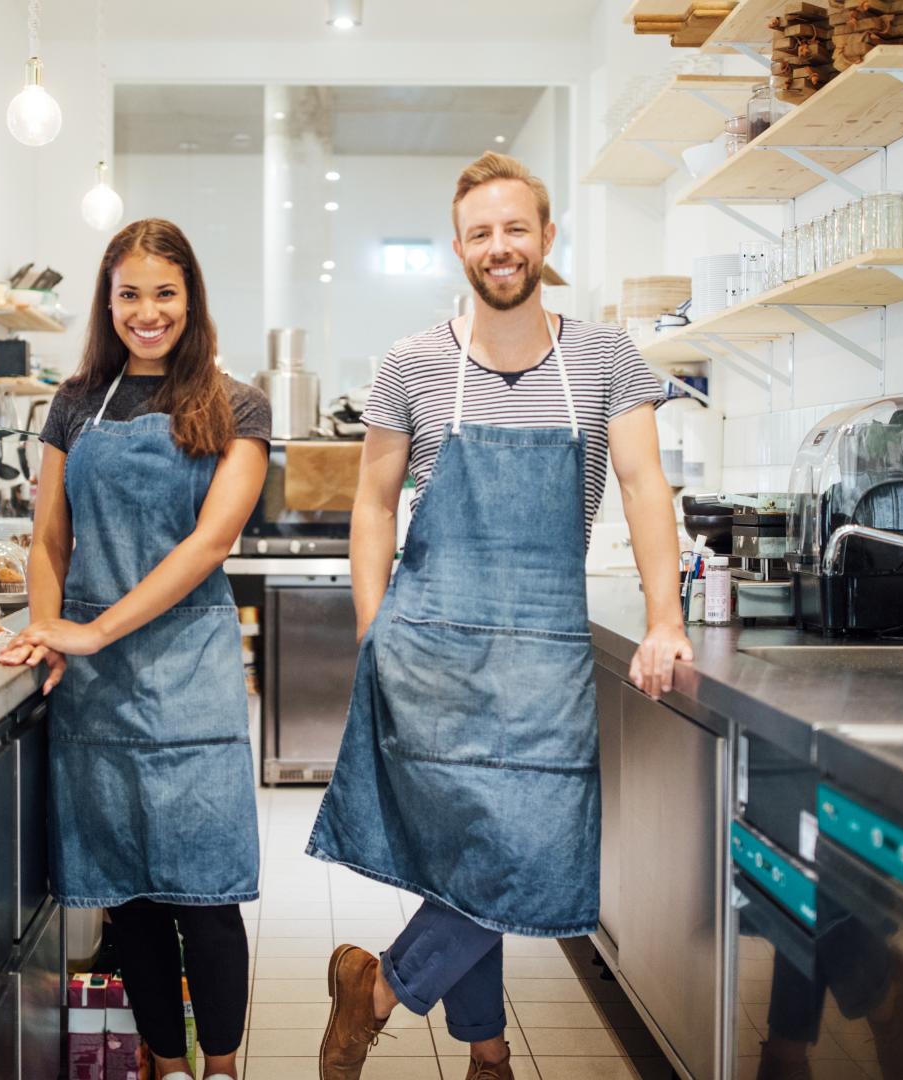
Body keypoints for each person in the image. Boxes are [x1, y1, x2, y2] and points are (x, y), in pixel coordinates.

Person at [307, 153, 694, 1080]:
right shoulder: (411, 364)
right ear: (459, 248)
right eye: (481, 232)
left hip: (544, 656)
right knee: (466, 854)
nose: (500, 246)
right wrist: (373, 625)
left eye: (516, 228)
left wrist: (666, 615)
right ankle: (488, 1056)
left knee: (526, 848)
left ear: (547, 238)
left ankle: (380, 987)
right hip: (431, 648)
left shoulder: (605, 360)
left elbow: (645, 488)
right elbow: (372, 502)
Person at [0, 218, 270, 1080]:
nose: (146, 312)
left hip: (190, 672)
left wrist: (92, 629)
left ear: (190, 299)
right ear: (106, 301)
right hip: (95, 683)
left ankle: (220, 1069)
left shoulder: (238, 406)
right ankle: (166, 1064)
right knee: (133, 901)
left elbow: (209, 545)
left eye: (164, 293)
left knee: (207, 896)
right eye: (128, 294)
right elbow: (49, 535)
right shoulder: (76, 401)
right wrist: (47, 631)